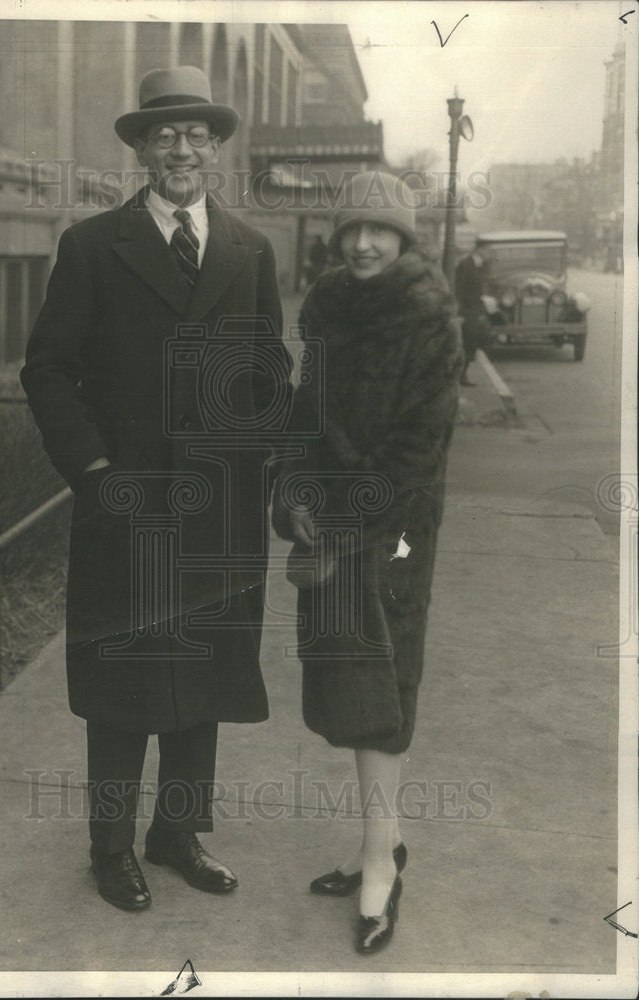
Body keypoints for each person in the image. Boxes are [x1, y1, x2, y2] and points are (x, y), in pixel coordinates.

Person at [21, 66, 289, 912]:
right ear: (141, 148)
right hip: (124, 506)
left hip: (219, 508)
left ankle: (176, 833)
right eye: (164, 134)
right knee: (121, 682)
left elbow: (268, 371)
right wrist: (95, 472)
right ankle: (110, 847)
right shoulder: (94, 244)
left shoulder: (249, 249)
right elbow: (48, 370)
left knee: (202, 677)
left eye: (197, 134)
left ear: (216, 148)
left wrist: (265, 462)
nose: (182, 148)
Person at [272, 170, 462, 954]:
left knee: (385, 686)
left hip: (396, 527)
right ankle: (376, 845)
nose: (362, 243)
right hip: (336, 521)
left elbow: (423, 442)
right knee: (352, 679)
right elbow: (304, 411)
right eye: (351, 230)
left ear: (405, 237)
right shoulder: (326, 308)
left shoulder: (431, 316)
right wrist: (294, 489)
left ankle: (381, 863)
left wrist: (352, 506)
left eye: (379, 231)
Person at [454, 247, 491, 385]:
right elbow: (459, 289)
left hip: (476, 308)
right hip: (467, 310)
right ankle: (461, 375)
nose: (490, 254)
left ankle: (463, 373)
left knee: (476, 339)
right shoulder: (465, 265)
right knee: (468, 341)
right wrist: (460, 312)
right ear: (479, 251)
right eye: (488, 251)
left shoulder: (480, 265)